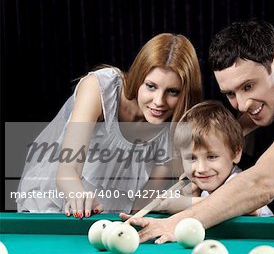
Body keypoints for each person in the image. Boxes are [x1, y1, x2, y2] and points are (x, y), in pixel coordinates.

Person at [121, 20, 274, 243]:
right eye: (231, 94)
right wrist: (203, 157)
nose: (241, 105)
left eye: (248, 86)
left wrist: (178, 222)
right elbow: (235, 127)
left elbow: (263, 183)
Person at [16, 33, 203, 217]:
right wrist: (78, 195)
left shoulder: (174, 127)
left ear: (185, 94)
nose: (159, 101)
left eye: (173, 91)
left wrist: (184, 202)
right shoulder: (100, 88)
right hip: (52, 201)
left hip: (109, 219)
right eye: (151, 86)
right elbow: (67, 171)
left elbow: (142, 203)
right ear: (139, 77)